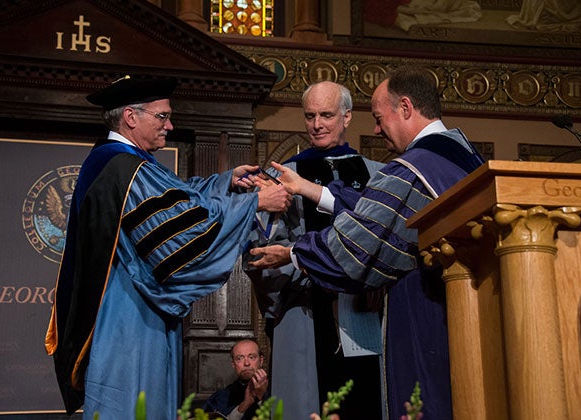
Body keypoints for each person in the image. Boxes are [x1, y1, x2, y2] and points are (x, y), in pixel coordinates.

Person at [44, 76, 291, 419]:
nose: (169, 125)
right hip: (130, 312)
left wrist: (225, 181)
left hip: (124, 305)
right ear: (131, 117)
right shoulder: (124, 167)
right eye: (161, 116)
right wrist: (256, 202)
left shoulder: (115, 161)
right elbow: (183, 229)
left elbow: (177, 197)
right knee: (134, 402)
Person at [248, 66, 485, 419]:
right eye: (309, 115)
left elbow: (363, 237)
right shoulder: (463, 155)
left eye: (378, 118)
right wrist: (295, 192)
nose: (375, 128)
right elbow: (378, 209)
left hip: (417, 306)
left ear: (405, 108)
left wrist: (294, 254)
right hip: (458, 307)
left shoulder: (411, 169)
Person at [245, 81, 385, 419]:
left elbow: (385, 242)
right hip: (305, 308)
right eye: (310, 116)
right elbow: (260, 251)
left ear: (347, 117)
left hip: (364, 310)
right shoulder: (284, 174)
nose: (317, 124)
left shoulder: (375, 174)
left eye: (326, 115)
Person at [203, 338, 269, 420]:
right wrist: (244, 405)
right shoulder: (220, 398)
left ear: (261, 361)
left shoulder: (277, 390)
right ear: (233, 364)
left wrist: (261, 398)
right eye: (239, 358)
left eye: (252, 357)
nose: (246, 363)